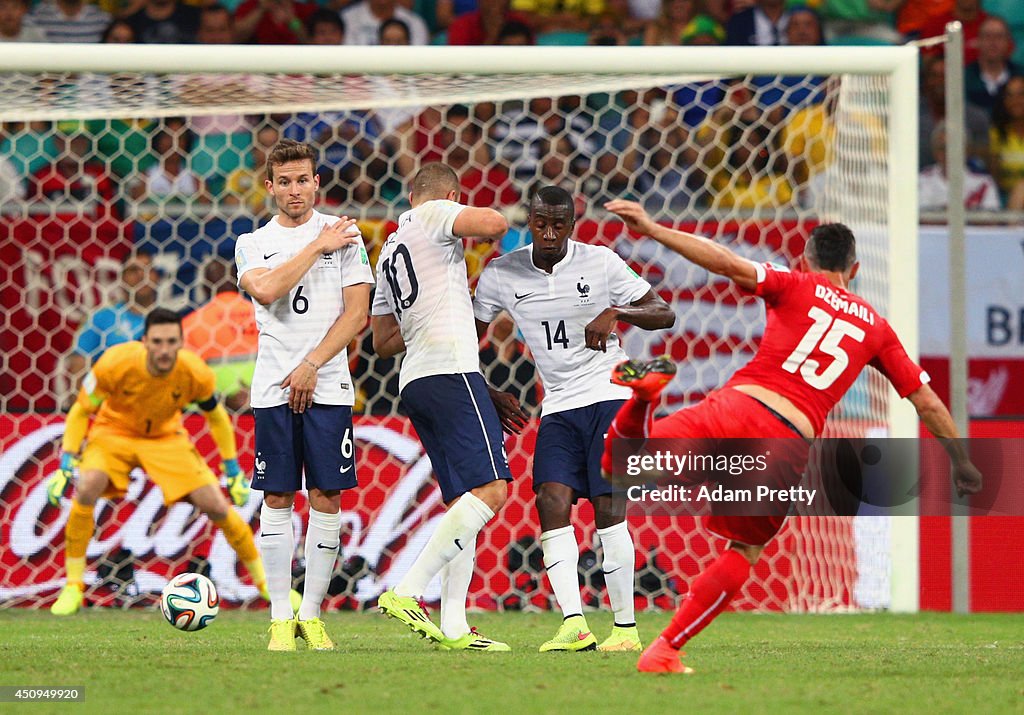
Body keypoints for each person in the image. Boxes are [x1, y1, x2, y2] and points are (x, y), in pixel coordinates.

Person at [600, 200, 983, 674]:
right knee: (744, 551)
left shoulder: (793, 283)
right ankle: (665, 651)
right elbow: (925, 400)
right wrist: (962, 460)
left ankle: (642, 400)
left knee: (621, 468)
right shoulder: (877, 329)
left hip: (733, 407)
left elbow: (725, 261)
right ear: (855, 268)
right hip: (785, 441)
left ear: (805, 260)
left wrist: (653, 227)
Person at [473, 186, 674, 653]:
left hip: (609, 393)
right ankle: (574, 625)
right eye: (540, 222)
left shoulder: (600, 262)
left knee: (608, 508)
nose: (547, 232)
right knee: (550, 499)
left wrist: (616, 311)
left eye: (557, 225)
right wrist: (486, 388)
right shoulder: (502, 273)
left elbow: (663, 312)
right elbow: (469, 336)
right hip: (559, 404)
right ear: (529, 218)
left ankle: (624, 629)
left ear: (572, 224)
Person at [234, 138, 373, 652]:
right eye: (285, 181)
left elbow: (356, 314)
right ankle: (279, 618)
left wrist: (312, 365)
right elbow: (266, 291)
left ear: (318, 181)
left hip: (328, 383)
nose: (296, 190)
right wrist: (316, 246)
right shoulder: (252, 242)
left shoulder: (349, 237)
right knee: (277, 496)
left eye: (304, 180)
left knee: (326, 496)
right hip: (272, 386)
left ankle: (311, 615)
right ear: (270, 187)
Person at [371, 163, 513, 652]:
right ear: (448, 195)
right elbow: (495, 225)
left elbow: (384, 340)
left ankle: (454, 625)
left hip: (415, 380)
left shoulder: (388, 248)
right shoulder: (436, 214)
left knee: (463, 504)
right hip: (449, 370)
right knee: (493, 490)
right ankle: (408, 591)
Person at [46, 308, 263, 616]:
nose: (164, 350)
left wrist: (233, 470)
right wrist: (66, 462)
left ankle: (266, 587)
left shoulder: (194, 371)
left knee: (215, 505)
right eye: (157, 342)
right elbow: (81, 410)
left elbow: (216, 417)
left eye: (171, 342)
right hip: (114, 432)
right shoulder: (114, 362)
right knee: (87, 487)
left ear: (180, 343)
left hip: (165, 438)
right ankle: (73, 588)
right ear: (144, 341)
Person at [64, 253, 161, 407]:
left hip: (157, 407)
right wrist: (77, 413)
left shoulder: (168, 321)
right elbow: (79, 366)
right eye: (133, 270)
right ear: (121, 279)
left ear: (157, 277)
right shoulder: (102, 318)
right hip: (109, 409)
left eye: (148, 269)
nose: (142, 275)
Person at [183, 256, 259, 412]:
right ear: (238, 282)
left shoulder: (190, 323)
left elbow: (185, 379)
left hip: (213, 413)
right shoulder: (262, 315)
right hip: (264, 403)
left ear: (204, 287)